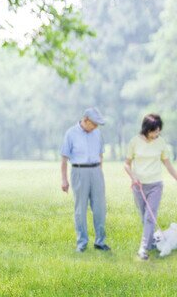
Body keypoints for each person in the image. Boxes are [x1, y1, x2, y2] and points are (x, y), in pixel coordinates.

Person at [124, 114, 177, 260]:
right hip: (138, 186)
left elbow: (167, 164)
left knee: (149, 217)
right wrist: (133, 177)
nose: (156, 134)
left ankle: (143, 249)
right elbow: (126, 164)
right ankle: (152, 243)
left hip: (155, 186)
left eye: (158, 131)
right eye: (154, 131)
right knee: (144, 217)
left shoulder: (161, 143)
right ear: (146, 129)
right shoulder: (134, 142)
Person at [60, 107, 110, 252]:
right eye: (94, 124)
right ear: (85, 120)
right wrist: (64, 180)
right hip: (79, 171)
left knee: (100, 208)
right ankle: (82, 243)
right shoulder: (71, 133)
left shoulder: (97, 133)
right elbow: (64, 159)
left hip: (96, 172)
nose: (95, 127)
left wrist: (99, 172)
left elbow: (101, 155)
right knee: (80, 209)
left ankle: (100, 242)